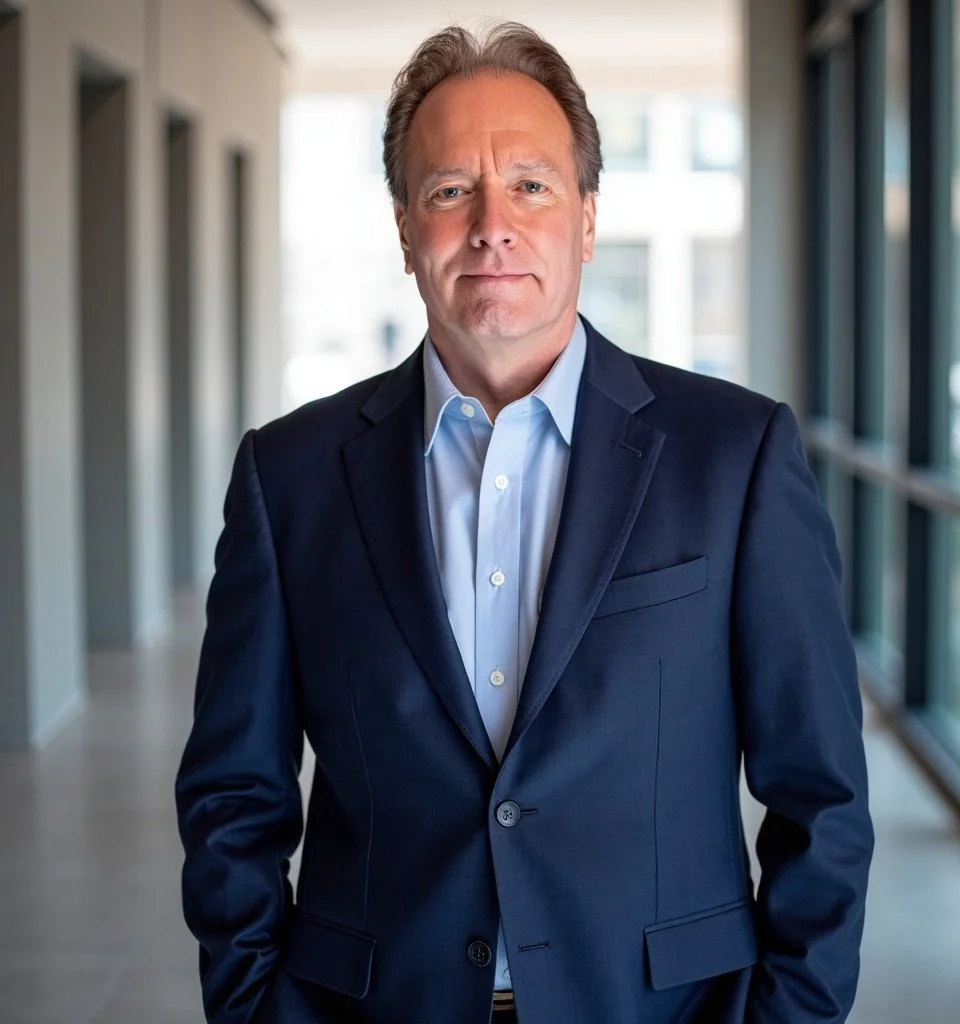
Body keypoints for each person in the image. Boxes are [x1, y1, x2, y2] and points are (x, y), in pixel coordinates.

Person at [175, 21, 873, 1024]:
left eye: (532, 186)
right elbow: (232, 794)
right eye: (451, 189)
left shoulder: (736, 455)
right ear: (407, 227)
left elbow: (821, 795)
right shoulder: (290, 477)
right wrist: (255, 1007)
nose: (491, 224)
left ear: (586, 219)